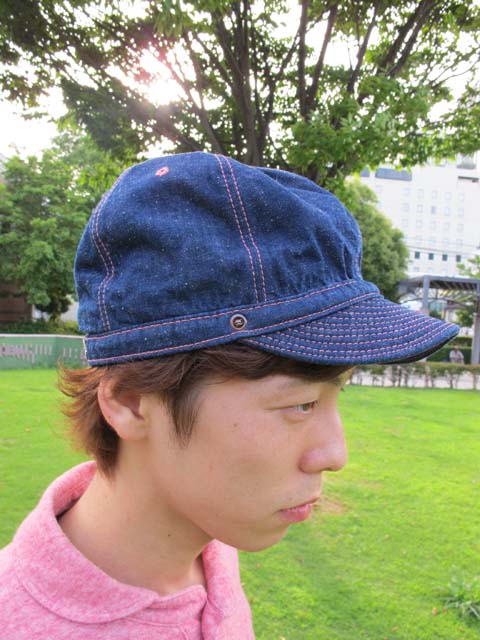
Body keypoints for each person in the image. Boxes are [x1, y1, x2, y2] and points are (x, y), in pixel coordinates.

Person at [0, 152, 458, 639]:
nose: (335, 455)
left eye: (336, 392)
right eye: (300, 404)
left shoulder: (209, 545)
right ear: (132, 400)